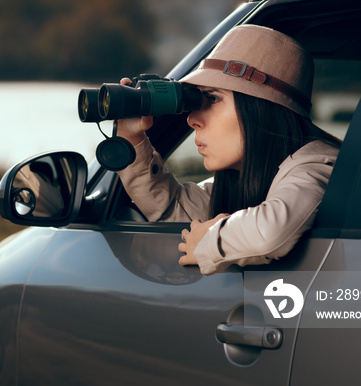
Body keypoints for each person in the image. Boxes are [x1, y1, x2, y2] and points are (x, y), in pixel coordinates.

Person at [116, 24, 341, 275]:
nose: (192, 120)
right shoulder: (247, 176)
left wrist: (210, 240)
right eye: (196, 100)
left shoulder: (317, 164)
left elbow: (270, 232)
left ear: (261, 109)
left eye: (212, 98)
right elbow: (173, 211)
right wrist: (131, 137)